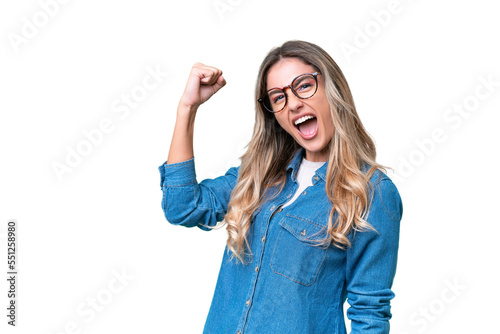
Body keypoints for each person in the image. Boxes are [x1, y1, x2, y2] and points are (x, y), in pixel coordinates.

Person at [158, 40, 403, 334]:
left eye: (303, 85)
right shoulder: (258, 175)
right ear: (274, 115)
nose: (294, 103)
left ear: (331, 88)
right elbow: (181, 207)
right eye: (278, 98)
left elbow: (370, 314)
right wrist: (187, 108)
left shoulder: (372, 192)